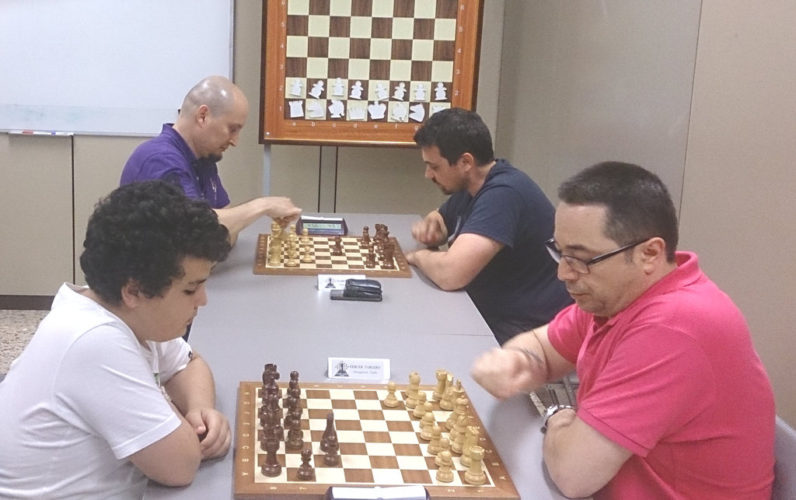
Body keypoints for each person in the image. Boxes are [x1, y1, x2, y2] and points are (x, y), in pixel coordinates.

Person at [471, 162, 775, 498]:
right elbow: (543, 348)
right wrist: (518, 360)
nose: (563, 273)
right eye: (561, 252)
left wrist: (557, 414)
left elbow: (573, 475)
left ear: (649, 254)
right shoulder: (617, 297)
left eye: (581, 258)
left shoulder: (674, 327)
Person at [0, 181, 233, 498]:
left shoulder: (128, 311)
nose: (203, 301)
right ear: (134, 290)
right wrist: (176, 421)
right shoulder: (93, 341)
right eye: (191, 289)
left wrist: (199, 410)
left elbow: (190, 364)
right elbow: (180, 465)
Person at [405, 108, 572, 344]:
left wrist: (418, 256)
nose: (428, 174)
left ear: (465, 162)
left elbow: (451, 274)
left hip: (525, 329)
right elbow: (442, 218)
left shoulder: (504, 193)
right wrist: (434, 225)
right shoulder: (475, 184)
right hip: (494, 312)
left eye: (435, 167)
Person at [120, 75, 301, 245]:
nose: (235, 141)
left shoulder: (203, 157)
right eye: (232, 129)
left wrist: (215, 233)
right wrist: (262, 206)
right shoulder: (161, 161)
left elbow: (226, 232)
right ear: (203, 116)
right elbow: (199, 234)